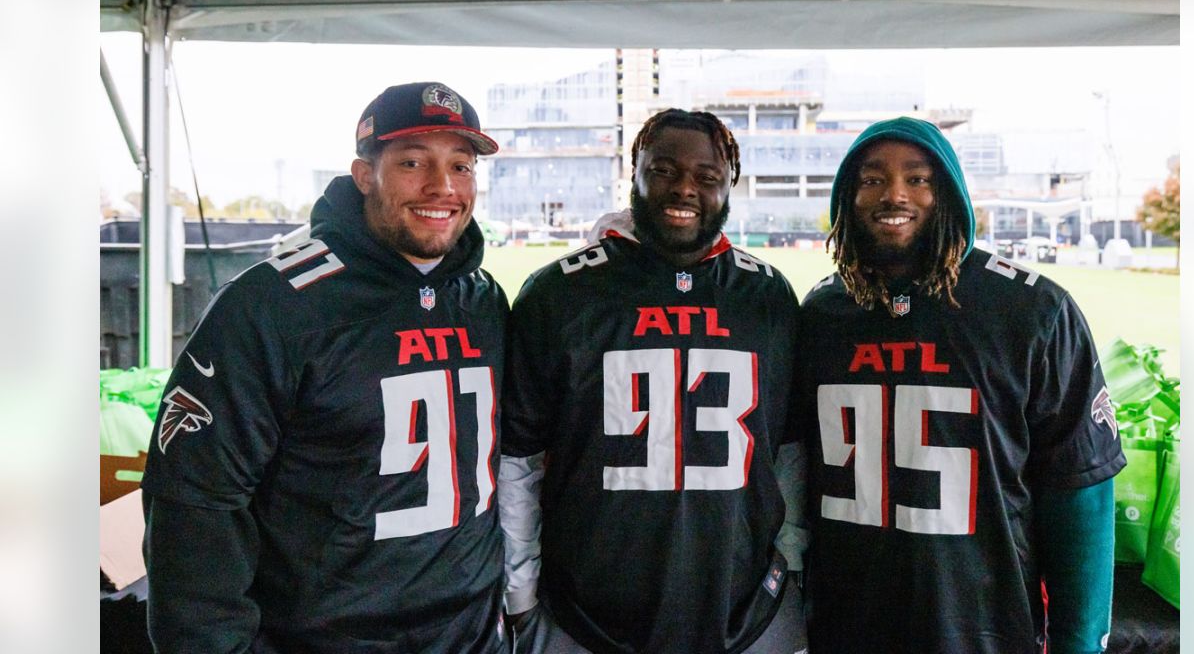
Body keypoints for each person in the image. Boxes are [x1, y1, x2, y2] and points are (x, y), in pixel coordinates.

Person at [141, 82, 511, 653]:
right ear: (365, 175)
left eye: (460, 166)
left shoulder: (482, 298)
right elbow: (196, 500)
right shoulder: (273, 304)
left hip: (472, 635)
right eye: (413, 162)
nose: (442, 187)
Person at [793, 116, 1125, 653]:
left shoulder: (1032, 310)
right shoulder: (824, 312)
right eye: (872, 179)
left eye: (919, 179)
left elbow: (1081, 492)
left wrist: (1079, 642)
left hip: (985, 629)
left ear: (949, 192)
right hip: (846, 625)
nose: (894, 194)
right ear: (846, 199)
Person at [499, 109, 808, 654]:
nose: (684, 188)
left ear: (730, 183)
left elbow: (786, 454)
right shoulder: (559, 294)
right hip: (585, 616)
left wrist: (790, 559)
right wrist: (521, 590)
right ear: (634, 173)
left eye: (707, 176)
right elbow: (519, 458)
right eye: (663, 169)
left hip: (744, 612)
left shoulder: (767, 298)